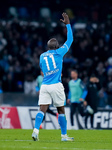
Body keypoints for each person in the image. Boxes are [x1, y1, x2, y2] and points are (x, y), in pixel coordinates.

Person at [32, 13, 74, 141]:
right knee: (60, 110)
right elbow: (70, 39)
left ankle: (35, 131)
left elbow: (42, 68)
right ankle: (64, 136)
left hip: (45, 85)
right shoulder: (59, 52)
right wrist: (68, 24)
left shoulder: (42, 56)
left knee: (42, 109)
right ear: (57, 47)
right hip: (56, 85)